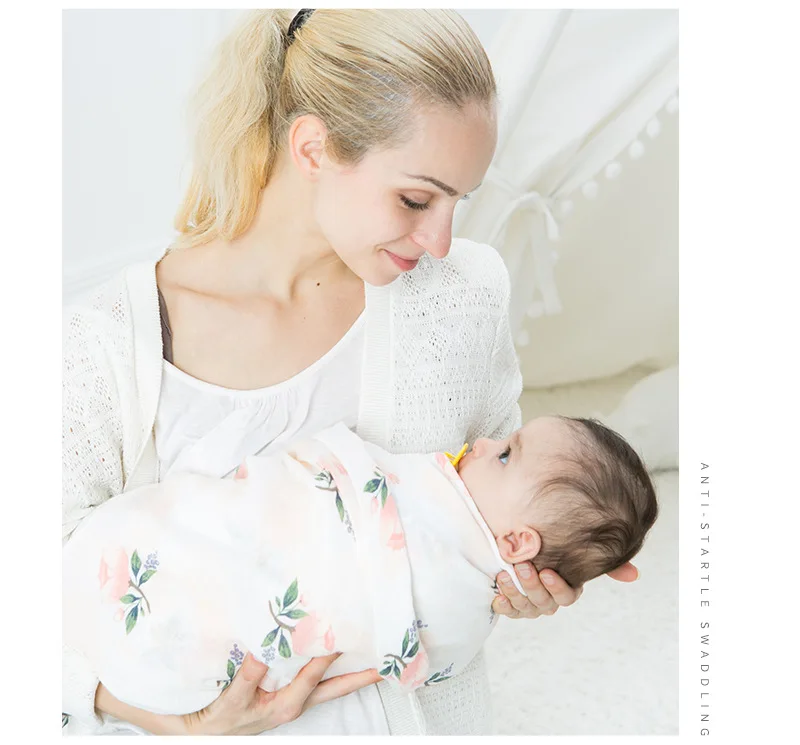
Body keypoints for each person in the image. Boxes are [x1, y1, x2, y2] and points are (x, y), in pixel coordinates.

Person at [62, 8, 638, 736]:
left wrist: (523, 576)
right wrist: (170, 718)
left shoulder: (462, 296)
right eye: (416, 199)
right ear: (313, 147)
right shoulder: (100, 349)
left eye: (458, 202)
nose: (441, 240)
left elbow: (503, 507)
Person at [63, 415, 656, 731]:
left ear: (517, 542)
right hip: (131, 671)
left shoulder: (465, 593)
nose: (481, 441)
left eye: (504, 453)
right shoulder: (472, 581)